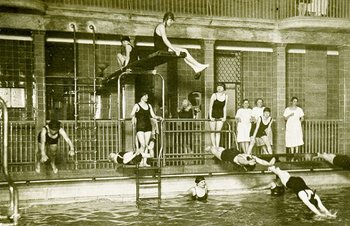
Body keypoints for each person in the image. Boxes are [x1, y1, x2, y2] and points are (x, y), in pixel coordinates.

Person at [154, 12, 209, 78]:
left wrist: (174, 49)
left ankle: (196, 68)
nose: (171, 22)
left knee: (184, 54)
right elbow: (165, 40)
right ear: (166, 19)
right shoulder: (161, 26)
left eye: (172, 21)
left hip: (162, 47)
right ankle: (198, 65)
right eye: (170, 20)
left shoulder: (162, 26)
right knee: (184, 51)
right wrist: (175, 50)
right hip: (161, 48)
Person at [268, 166, 336, 217]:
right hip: (290, 183)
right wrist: (320, 214)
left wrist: (329, 214)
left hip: (299, 180)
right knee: (281, 174)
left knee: (284, 174)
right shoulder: (303, 196)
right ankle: (272, 168)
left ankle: (276, 169)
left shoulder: (314, 195)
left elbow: (321, 206)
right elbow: (311, 206)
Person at [131, 92, 162, 167]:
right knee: (143, 145)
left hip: (148, 127)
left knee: (146, 145)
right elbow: (132, 113)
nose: (147, 97)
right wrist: (133, 117)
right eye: (145, 95)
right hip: (140, 127)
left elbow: (153, 115)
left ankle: (144, 162)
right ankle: (139, 160)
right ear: (141, 97)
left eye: (147, 96)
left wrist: (159, 117)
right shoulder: (137, 105)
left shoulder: (149, 105)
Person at [205, 146, 275, 171]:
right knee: (218, 147)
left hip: (224, 156)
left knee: (212, 149)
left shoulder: (241, 161)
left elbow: (244, 162)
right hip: (230, 151)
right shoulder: (250, 157)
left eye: (251, 161)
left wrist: (249, 162)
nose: (253, 160)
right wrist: (268, 164)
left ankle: (209, 150)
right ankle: (211, 149)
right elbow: (261, 161)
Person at [208, 83, 228, 148]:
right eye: (218, 86)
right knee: (213, 131)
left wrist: (224, 117)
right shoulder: (214, 95)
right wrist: (210, 116)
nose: (219, 88)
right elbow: (210, 107)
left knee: (218, 131)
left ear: (223, 88)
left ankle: (217, 146)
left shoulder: (226, 96)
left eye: (221, 87)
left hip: (220, 114)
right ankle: (214, 146)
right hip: (213, 113)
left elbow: (224, 107)